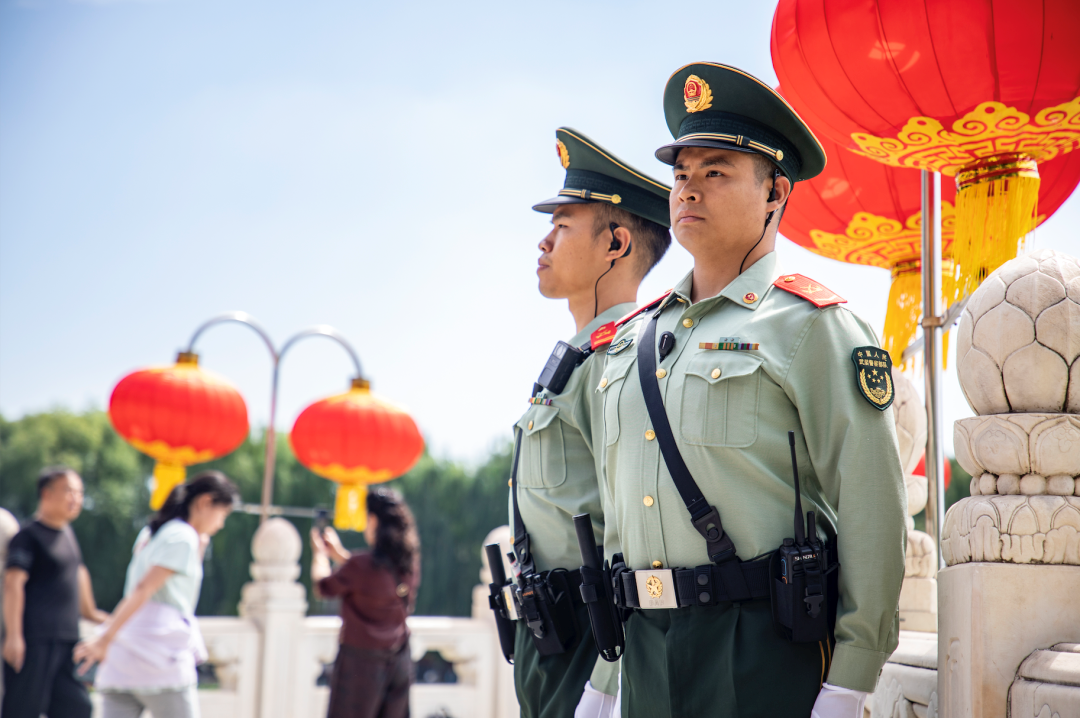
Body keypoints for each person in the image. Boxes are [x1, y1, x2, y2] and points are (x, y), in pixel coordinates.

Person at [596, 63, 906, 718]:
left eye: (716, 172)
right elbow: (619, 518)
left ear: (775, 192)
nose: (688, 191)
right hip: (643, 647)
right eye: (681, 174)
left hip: (757, 646)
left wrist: (851, 678)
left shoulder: (812, 326)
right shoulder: (634, 339)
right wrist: (606, 675)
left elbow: (873, 505)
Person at [510, 128, 672, 718]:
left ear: (616, 244)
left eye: (564, 226)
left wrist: (609, 675)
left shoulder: (624, 357)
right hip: (550, 632)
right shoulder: (583, 353)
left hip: (592, 635)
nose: (544, 241)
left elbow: (638, 532)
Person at [73, 470, 240, 718]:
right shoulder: (183, 537)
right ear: (206, 502)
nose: (221, 523)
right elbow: (144, 590)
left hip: (122, 662)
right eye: (222, 513)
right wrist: (104, 639)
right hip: (159, 658)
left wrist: (109, 638)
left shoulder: (153, 533)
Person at [2, 465, 108, 718]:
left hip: (67, 642)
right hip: (35, 641)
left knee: (77, 708)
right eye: (69, 491)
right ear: (46, 494)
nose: (76, 499)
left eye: (80, 493)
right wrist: (14, 636)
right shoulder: (28, 536)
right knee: (22, 710)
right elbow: (13, 585)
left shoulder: (69, 535)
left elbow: (80, 587)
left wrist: (105, 618)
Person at [311, 487, 421, 718]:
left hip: (360, 665)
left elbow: (323, 586)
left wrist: (320, 555)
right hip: (398, 662)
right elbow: (376, 577)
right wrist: (341, 555)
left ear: (373, 520)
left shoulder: (360, 567)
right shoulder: (408, 564)